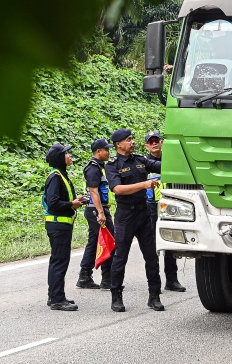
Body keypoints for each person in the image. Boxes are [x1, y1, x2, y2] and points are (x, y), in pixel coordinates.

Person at [105, 128, 164, 313]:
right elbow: (118, 189)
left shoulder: (140, 160)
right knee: (120, 257)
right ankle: (116, 297)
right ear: (118, 144)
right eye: (129, 140)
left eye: (132, 139)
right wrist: (144, 184)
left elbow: (161, 166)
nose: (132, 142)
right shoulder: (112, 165)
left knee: (151, 257)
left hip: (143, 213)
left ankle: (154, 296)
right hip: (125, 215)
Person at [43, 143, 87, 311]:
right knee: (60, 261)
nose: (69, 156)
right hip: (58, 225)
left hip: (61, 225)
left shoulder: (61, 175)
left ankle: (54, 295)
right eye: (66, 154)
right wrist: (72, 204)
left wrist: (77, 200)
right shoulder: (55, 176)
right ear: (59, 158)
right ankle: (57, 299)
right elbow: (53, 202)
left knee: (58, 260)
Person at [144, 131, 185, 292]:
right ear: (147, 145)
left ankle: (172, 280)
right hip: (151, 207)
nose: (154, 143)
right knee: (152, 245)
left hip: (169, 206)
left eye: (156, 140)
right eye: (150, 141)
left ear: (161, 142)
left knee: (170, 242)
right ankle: (154, 283)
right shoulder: (144, 162)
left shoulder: (170, 161)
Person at [77, 138, 114, 291]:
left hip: (96, 209)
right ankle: (107, 279)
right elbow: (93, 191)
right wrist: (100, 212)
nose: (108, 152)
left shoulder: (100, 167)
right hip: (96, 210)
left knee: (94, 243)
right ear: (98, 151)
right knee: (109, 241)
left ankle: (84, 276)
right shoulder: (93, 168)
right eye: (106, 149)